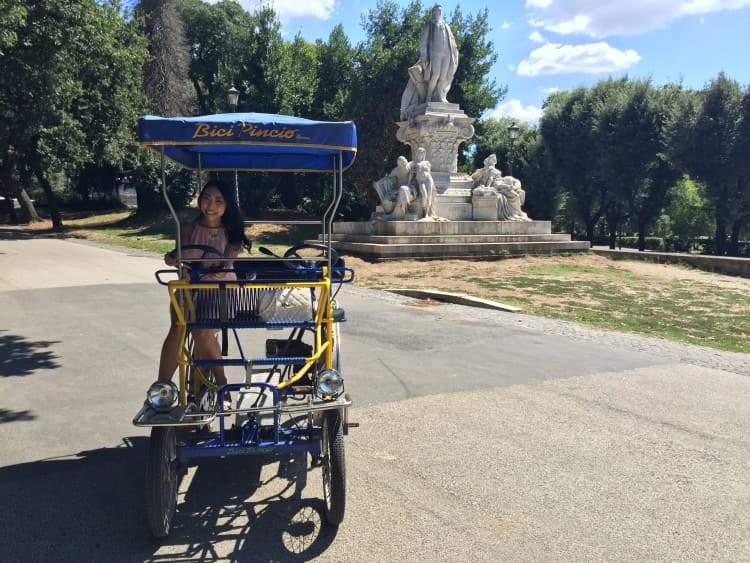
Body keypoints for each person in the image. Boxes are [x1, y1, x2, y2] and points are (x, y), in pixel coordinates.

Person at [157, 180, 251, 407]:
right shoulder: (187, 228)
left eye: (219, 201)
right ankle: (161, 388)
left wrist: (211, 274)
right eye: (207, 198)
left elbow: (227, 265)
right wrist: (172, 259)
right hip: (190, 285)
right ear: (200, 200)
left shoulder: (233, 232)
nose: (211, 205)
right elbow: (178, 256)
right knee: (178, 328)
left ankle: (222, 385)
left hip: (219, 289)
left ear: (227, 205)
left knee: (202, 334)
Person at [419, 5, 458, 104]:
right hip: (435, 54)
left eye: (440, 11)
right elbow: (424, 41)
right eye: (437, 11)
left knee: (443, 76)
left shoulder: (445, 25)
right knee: (435, 74)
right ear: (433, 12)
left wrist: (455, 52)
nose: (439, 13)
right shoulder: (429, 24)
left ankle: (440, 96)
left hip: (447, 53)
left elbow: (452, 40)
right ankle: (429, 96)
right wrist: (423, 55)